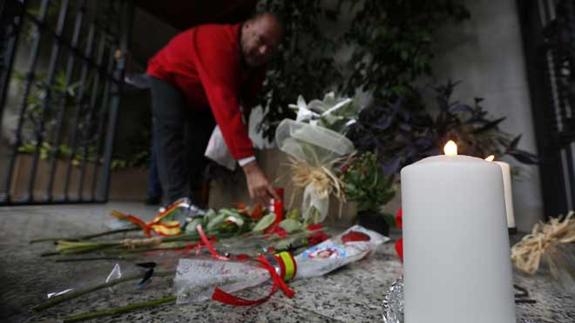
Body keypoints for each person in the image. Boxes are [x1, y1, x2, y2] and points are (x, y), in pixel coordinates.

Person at [146, 13, 282, 206]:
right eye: (260, 40)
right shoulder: (217, 44)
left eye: (270, 49)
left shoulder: (256, 64)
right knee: (170, 132)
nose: (262, 51)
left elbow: (245, 106)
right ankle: (176, 202)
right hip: (169, 76)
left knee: (199, 144)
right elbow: (225, 105)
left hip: (200, 94)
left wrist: (234, 152)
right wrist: (250, 168)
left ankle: (192, 196)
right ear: (247, 27)